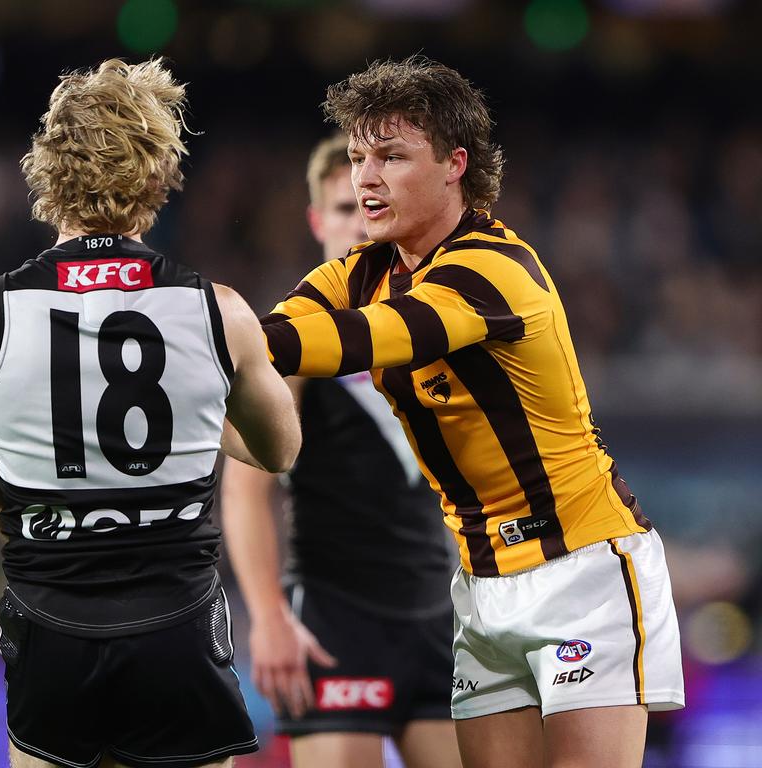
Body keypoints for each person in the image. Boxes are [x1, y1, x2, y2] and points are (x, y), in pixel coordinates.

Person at [259, 56, 684, 768]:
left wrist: (199, 327)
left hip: (581, 568)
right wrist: (199, 327)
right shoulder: (362, 268)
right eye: (360, 157)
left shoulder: (491, 268)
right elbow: (275, 337)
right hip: (480, 588)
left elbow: (348, 341)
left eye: (392, 157)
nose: (366, 177)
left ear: (456, 164)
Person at [0, 58, 301, 768]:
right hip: (179, 628)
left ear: (47, 172)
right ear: (158, 176)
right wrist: (192, 421)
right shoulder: (217, 310)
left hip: (52, 627)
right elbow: (281, 450)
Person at [221, 133, 461, 768]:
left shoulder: (430, 322)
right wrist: (268, 617)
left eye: (368, 206)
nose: (359, 222)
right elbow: (244, 490)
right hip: (336, 623)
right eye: (343, 207)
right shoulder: (293, 340)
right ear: (316, 220)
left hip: (440, 616)